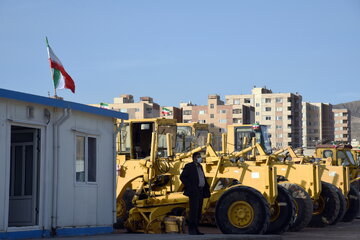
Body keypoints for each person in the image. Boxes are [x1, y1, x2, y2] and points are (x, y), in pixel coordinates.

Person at [180, 152, 210, 235]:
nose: (200, 158)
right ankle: (191, 230)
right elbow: (182, 177)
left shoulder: (200, 166)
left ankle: (196, 229)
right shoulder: (189, 166)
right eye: (198, 157)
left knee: (198, 211)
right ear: (194, 158)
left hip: (200, 191)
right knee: (193, 211)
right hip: (194, 192)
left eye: (200, 156)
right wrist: (190, 187)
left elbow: (201, 177)